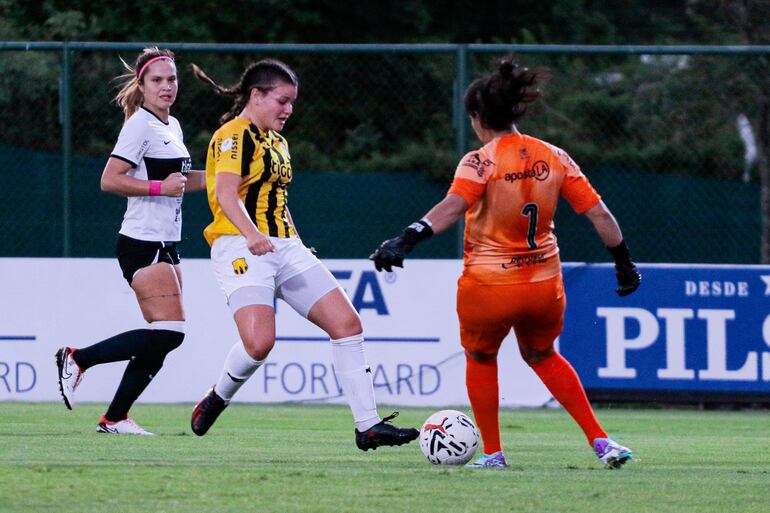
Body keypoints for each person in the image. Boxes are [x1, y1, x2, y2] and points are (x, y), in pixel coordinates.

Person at [370, 57, 641, 469]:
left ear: (478, 117)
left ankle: (494, 455)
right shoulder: (555, 156)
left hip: (489, 286)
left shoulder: (480, 160)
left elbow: (452, 207)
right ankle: (602, 442)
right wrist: (623, 263)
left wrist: (406, 238)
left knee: (481, 359)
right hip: (544, 284)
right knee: (544, 355)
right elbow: (600, 215)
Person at [187, 59, 419, 450]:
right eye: (282, 100)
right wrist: (253, 235)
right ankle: (218, 396)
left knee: (347, 325)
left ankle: (368, 426)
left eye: (292, 102)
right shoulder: (232, 135)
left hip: (285, 246)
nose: (288, 110)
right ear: (256, 96)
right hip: (240, 245)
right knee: (259, 343)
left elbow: (277, 198)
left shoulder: (278, 141)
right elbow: (226, 194)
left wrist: (293, 240)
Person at [55, 47, 206, 435]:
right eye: (157, 80)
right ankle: (78, 358)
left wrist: (228, 176)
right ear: (142, 84)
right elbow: (110, 179)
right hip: (142, 242)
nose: (166, 86)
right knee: (171, 333)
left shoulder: (171, 126)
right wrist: (158, 187)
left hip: (167, 242)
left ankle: (115, 418)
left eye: (171, 79)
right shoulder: (139, 125)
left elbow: (181, 183)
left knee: (161, 339)